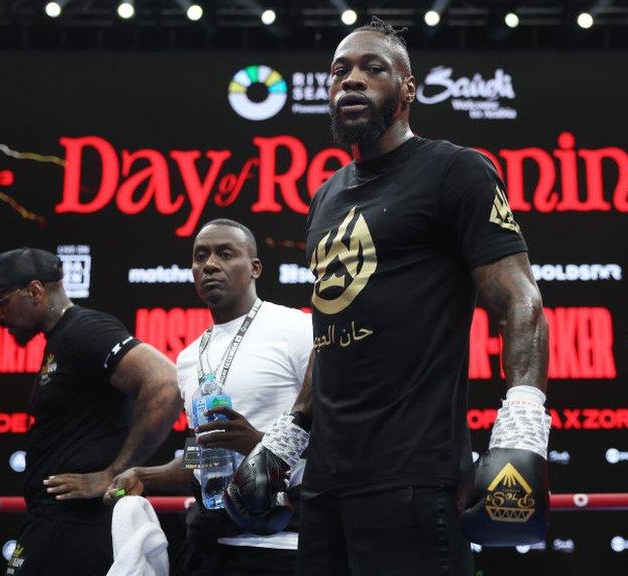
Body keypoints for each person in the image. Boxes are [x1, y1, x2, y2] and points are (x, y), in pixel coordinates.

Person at [221, 17, 551, 576]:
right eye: (339, 71)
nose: (351, 80)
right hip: (325, 484)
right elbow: (331, 327)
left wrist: (523, 421)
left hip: (415, 476)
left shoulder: (455, 170)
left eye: (373, 69)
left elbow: (520, 300)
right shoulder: (326, 197)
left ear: (406, 90)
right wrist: (289, 435)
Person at [104, 219, 313, 576]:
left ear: (255, 268)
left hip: (282, 546)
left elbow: (343, 438)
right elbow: (205, 456)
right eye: (201, 256)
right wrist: (145, 474)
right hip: (209, 546)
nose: (210, 264)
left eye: (225, 253)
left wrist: (260, 445)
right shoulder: (188, 358)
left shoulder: (295, 329)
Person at [0, 247, 180, 576]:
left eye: (2, 302)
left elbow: (165, 382)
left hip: (75, 525)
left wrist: (113, 473)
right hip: (56, 521)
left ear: (35, 291)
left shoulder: (84, 328)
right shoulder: (62, 339)